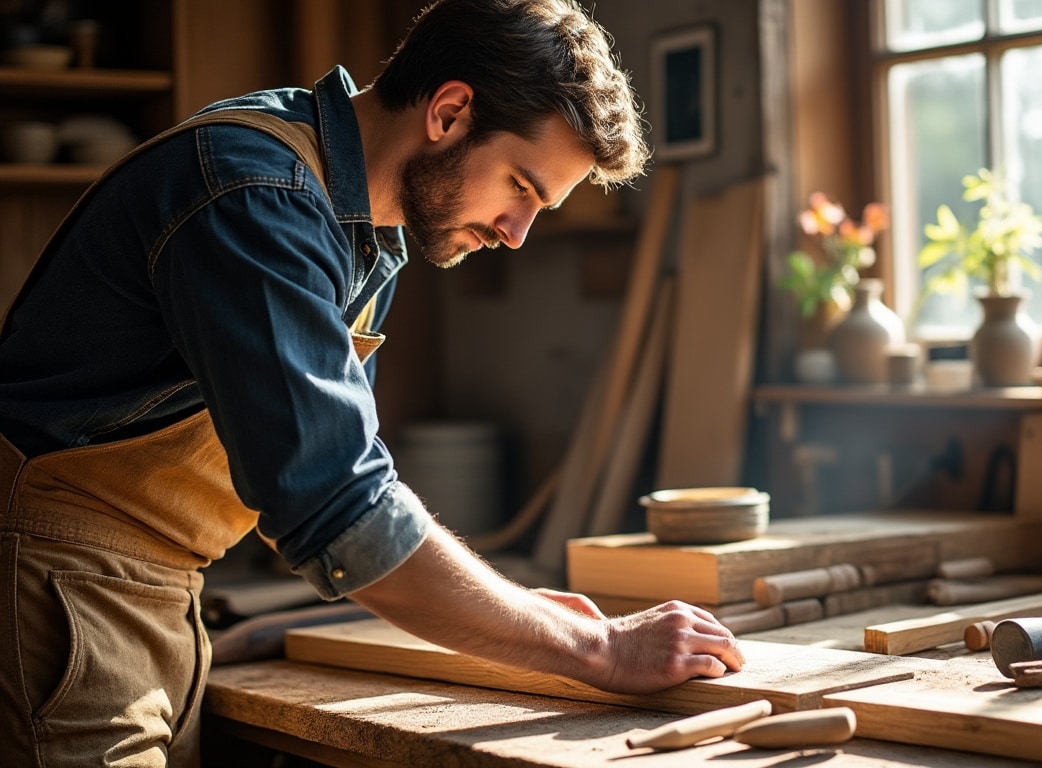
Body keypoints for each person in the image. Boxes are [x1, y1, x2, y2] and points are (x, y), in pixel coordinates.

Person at [0, 0, 744, 764]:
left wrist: (510, 611)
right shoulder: (260, 197)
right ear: (450, 112)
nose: (516, 234)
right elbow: (337, 505)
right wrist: (596, 648)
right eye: (521, 185)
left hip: (159, 597)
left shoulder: (361, 228)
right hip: (57, 588)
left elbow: (328, 478)